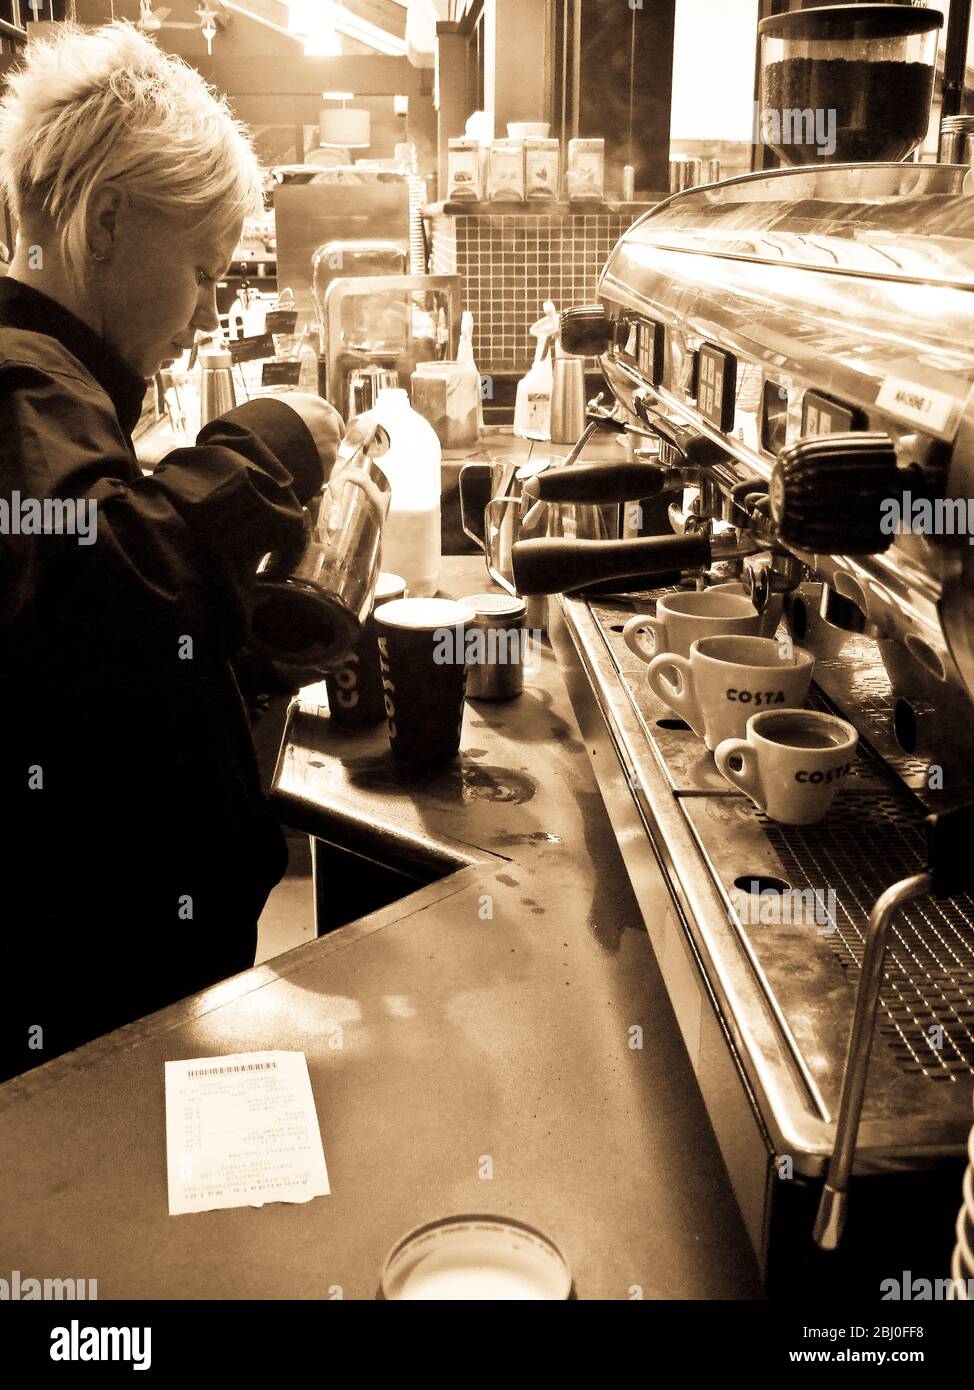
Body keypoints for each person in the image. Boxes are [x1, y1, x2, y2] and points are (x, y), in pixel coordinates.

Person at [0, 22, 344, 1080]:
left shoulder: (63, 379)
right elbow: (91, 580)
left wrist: (243, 653)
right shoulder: (19, 383)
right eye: (200, 270)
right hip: (75, 999)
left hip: (118, 975)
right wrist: (264, 450)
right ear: (106, 222)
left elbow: (67, 667)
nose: (202, 314)